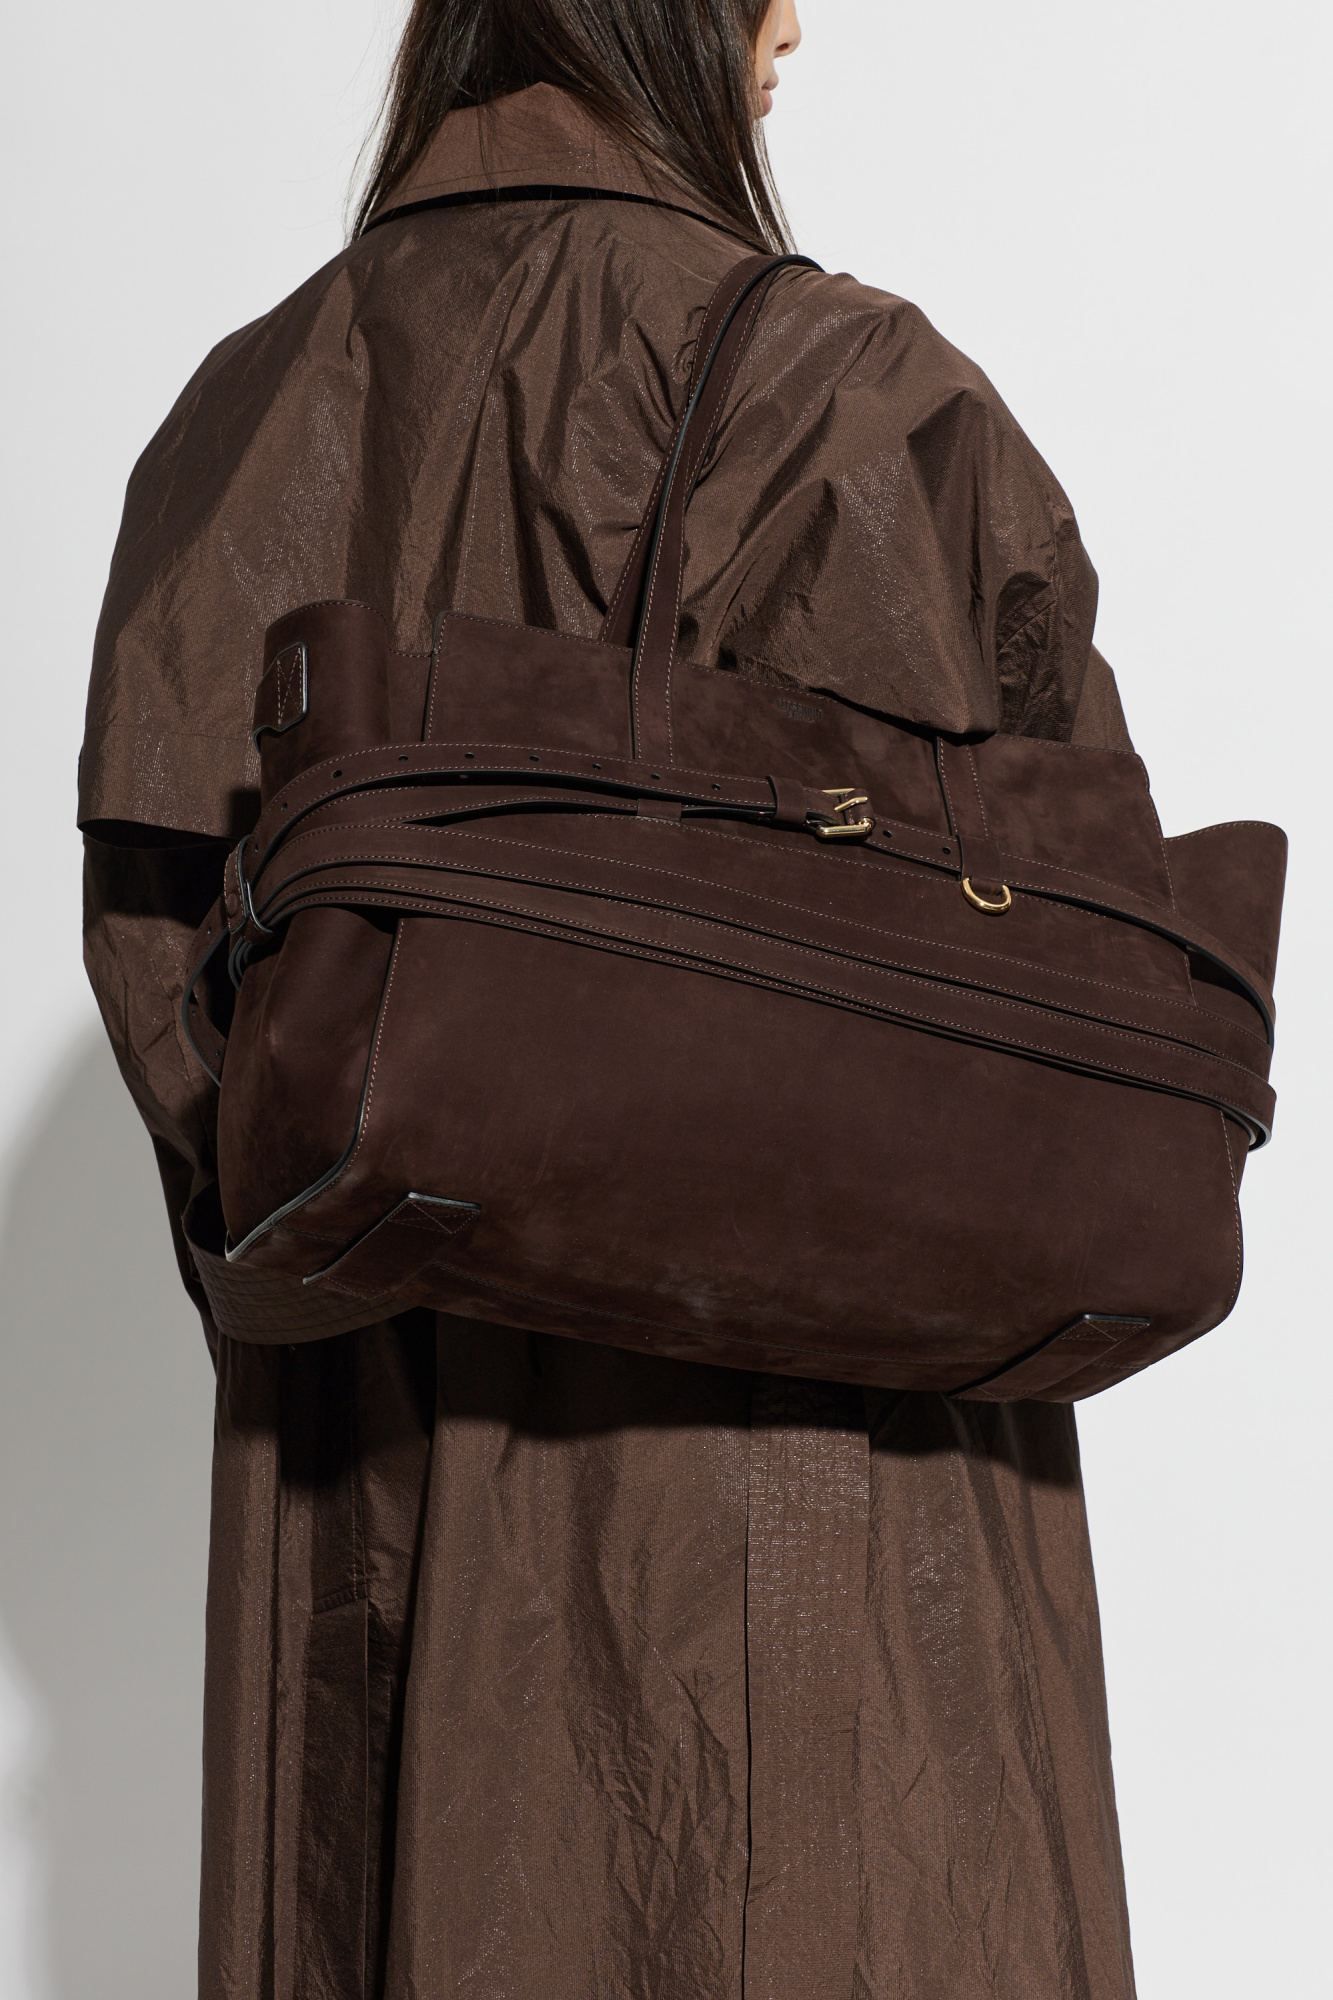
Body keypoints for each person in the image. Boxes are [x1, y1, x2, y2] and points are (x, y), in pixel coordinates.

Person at [80, 1, 1141, 1993]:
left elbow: (184, 1035)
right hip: (806, 1562)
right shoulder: (852, 402)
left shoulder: (238, 418)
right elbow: (1055, 1025)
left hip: (356, 1529)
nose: (795, 16)